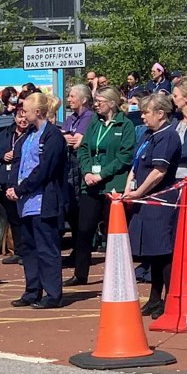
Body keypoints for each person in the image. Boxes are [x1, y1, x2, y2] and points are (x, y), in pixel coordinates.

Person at [123, 93, 182, 318]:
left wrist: (139, 191)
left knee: (162, 251)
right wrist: (129, 188)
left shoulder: (168, 137)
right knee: (150, 254)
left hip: (159, 202)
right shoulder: (148, 134)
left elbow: (159, 172)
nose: (143, 117)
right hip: (142, 201)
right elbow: (136, 164)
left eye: (147, 112)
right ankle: (155, 298)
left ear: (161, 113)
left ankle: (169, 300)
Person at [8, 93, 68, 309]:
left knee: (47, 248)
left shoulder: (53, 136)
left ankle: (53, 294)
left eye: (26, 109)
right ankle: (32, 290)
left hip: (44, 200)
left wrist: (22, 188)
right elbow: (17, 162)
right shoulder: (27, 136)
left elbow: (45, 169)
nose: (22, 112)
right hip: (26, 202)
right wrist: (12, 186)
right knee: (29, 248)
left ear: (39, 112)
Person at [72, 86, 136, 285]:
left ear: (111, 103)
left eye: (100, 101)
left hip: (112, 185)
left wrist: (102, 174)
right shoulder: (94, 122)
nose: (96, 104)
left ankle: (117, 275)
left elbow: (125, 157)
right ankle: (80, 274)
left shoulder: (125, 126)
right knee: (84, 230)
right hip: (91, 185)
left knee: (113, 233)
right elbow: (83, 149)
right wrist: (88, 171)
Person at [0, 104, 30, 265]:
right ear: (14, 118)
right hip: (7, 180)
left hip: (24, 181)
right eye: (20, 116)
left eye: (25, 116)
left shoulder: (32, 134)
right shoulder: (6, 133)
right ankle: (18, 251)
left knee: (25, 217)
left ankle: (27, 252)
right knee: (13, 218)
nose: (23, 120)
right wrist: (3, 155)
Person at [62, 84, 95, 246]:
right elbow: (64, 137)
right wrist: (66, 137)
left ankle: (84, 246)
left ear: (83, 99)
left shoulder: (88, 117)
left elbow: (76, 142)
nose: (69, 99)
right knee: (71, 209)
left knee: (80, 209)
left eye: (72, 96)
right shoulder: (71, 118)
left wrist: (68, 137)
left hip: (80, 168)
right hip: (69, 168)